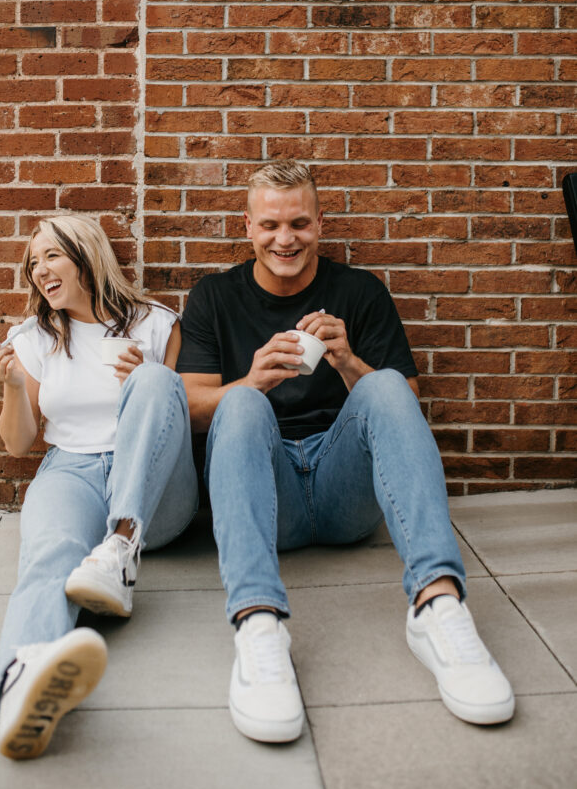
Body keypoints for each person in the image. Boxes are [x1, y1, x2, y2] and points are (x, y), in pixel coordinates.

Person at [177, 160, 514, 744]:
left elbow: (403, 400)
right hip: (270, 492)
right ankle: (259, 625)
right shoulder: (214, 296)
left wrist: (348, 360)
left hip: (344, 488)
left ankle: (438, 608)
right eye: (271, 225)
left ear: (320, 223)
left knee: (383, 382)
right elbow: (189, 405)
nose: (286, 239)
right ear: (249, 226)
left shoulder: (358, 291)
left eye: (299, 223)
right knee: (239, 406)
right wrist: (252, 380)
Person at [0, 214, 198, 759]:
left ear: (86, 256)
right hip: (70, 469)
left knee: (155, 378)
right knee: (49, 552)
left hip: (152, 489)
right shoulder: (33, 339)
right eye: (33, 262)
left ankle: (120, 549)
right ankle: (18, 685)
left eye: (51, 255)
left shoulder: (156, 324)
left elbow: (186, 414)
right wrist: (12, 387)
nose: (40, 270)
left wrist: (143, 387)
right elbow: (17, 445)